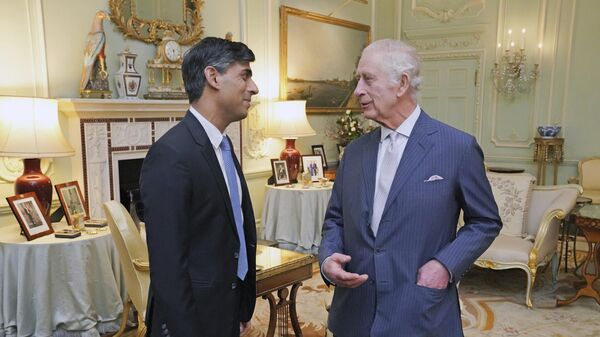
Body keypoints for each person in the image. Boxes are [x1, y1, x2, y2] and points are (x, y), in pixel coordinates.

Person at [318, 39, 502, 337]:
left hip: (419, 310)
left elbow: (485, 221)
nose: (358, 91)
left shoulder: (457, 147)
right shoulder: (353, 153)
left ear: (401, 83)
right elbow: (335, 219)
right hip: (355, 312)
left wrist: (445, 265)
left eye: (367, 79)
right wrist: (328, 260)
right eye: (357, 80)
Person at [140, 37, 259, 337]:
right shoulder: (171, 155)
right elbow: (169, 268)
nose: (253, 87)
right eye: (244, 75)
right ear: (213, 77)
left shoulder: (224, 145)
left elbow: (234, 233)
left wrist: (241, 306)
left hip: (224, 311)